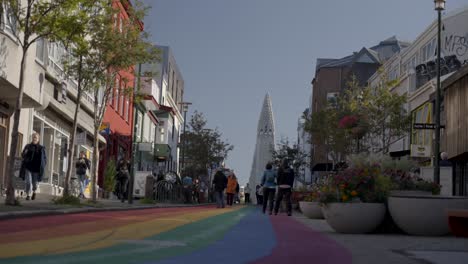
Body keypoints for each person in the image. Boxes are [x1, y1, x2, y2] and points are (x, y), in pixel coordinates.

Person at [20, 133, 47, 200]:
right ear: (32, 138)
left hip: (36, 168)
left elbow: (45, 159)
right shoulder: (28, 146)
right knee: (28, 181)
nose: (35, 139)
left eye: (36, 138)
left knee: (34, 183)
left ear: (38, 139)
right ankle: (28, 195)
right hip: (28, 167)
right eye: (34, 137)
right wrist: (24, 153)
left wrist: (43, 166)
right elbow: (23, 155)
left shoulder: (41, 148)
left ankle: (34, 191)